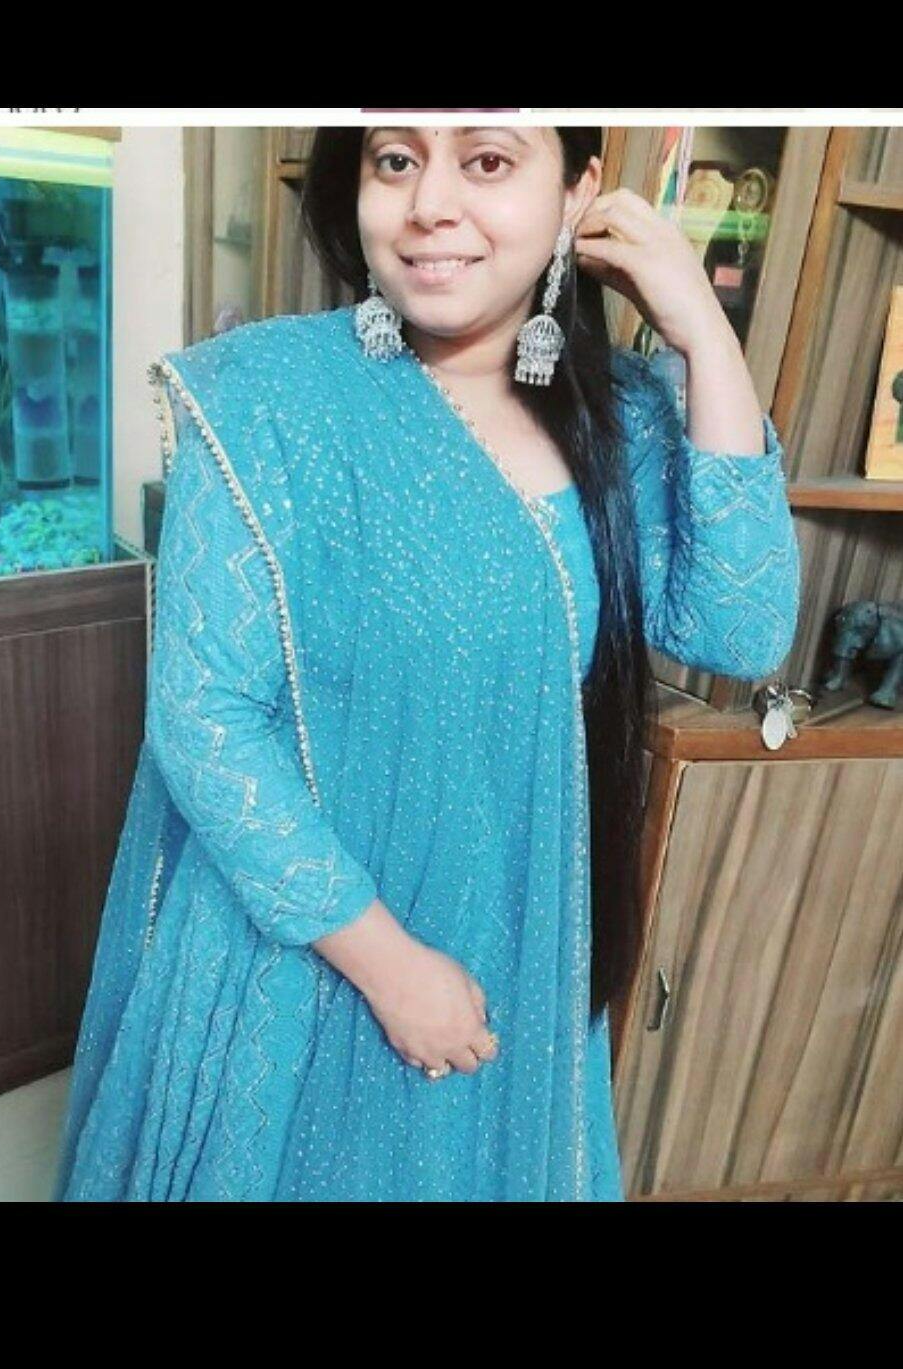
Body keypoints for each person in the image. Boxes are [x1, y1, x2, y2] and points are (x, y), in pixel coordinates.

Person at [52, 126, 801, 1202]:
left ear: (577, 193)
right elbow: (204, 718)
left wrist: (703, 337)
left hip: (514, 925)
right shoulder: (267, 398)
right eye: (395, 160)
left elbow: (738, 629)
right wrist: (390, 966)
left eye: (486, 161)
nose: (428, 204)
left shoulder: (621, 413)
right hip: (298, 949)